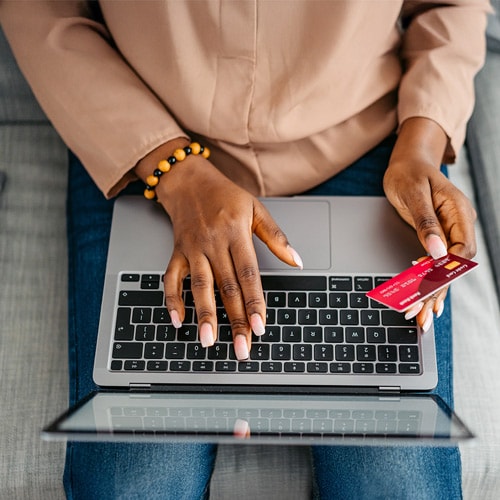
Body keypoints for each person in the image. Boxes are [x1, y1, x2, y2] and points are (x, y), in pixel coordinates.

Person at [0, 1, 490, 498]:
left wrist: (422, 141)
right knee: (133, 485)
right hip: (148, 137)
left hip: (366, 141)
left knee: (399, 486)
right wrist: (175, 170)